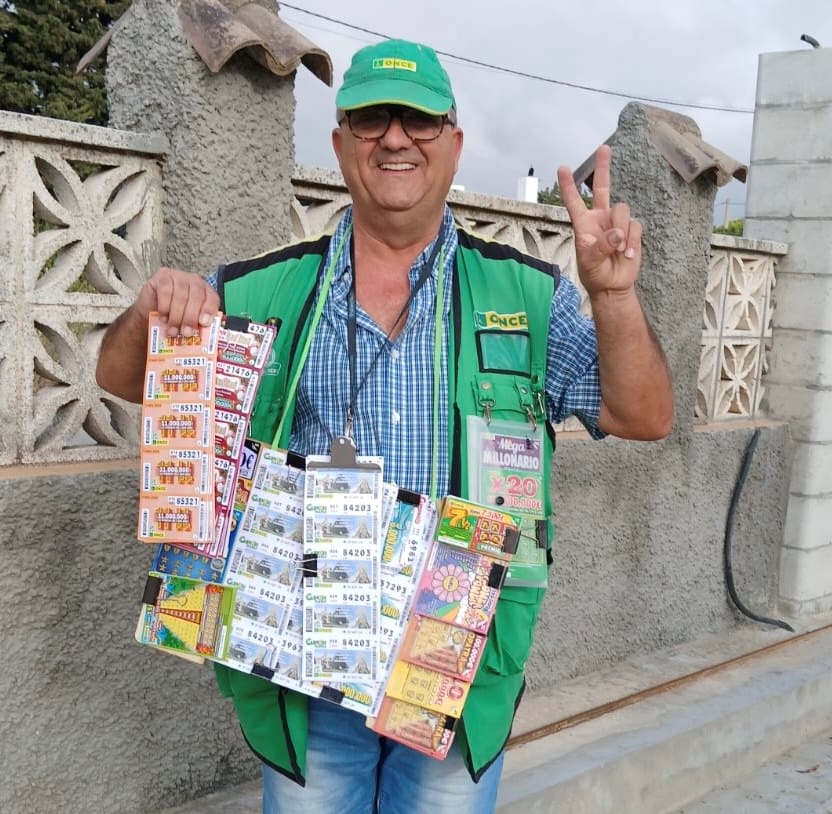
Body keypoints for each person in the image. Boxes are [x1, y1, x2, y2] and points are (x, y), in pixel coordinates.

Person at [97, 38, 673, 814]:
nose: (395, 138)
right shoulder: (265, 286)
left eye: (419, 121)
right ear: (339, 144)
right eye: (371, 120)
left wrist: (612, 296)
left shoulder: (528, 295)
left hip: (455, 656)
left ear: (454, 143)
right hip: (304, 646)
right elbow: (122, 377)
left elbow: (643, 417)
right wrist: (150, 309)